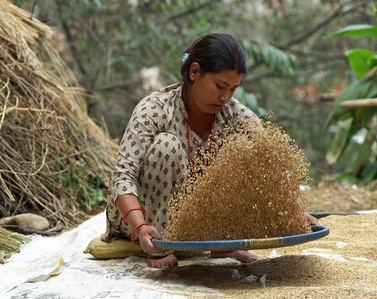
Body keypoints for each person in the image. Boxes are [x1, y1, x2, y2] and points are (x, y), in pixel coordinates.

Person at [102, 33, 319, 269]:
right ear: (194, 72)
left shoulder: (236, 115)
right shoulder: (154, 109)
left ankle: (222, 240)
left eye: (233, 90)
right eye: (220, 86)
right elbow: (123, 176)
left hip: (197, 223)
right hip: (140, 218)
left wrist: (292, 213)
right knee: (168, 145)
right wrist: (140, 226)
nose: (225, 97)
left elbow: (272, 170)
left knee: (244, 148)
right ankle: (159, 243)